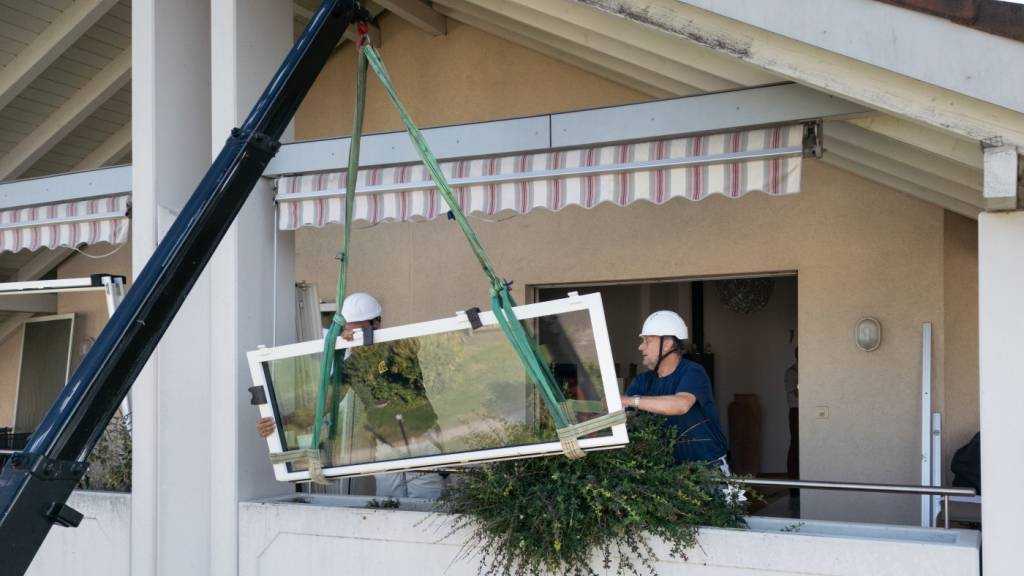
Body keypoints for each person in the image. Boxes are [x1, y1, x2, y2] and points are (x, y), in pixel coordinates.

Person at [257, 292, 445, 499]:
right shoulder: (350, 367)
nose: (351, 335)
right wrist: (281, 421)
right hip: (386, 440)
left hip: (421, 436)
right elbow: (322, 406)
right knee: (389, 502)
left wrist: (365, 346)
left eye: (357, 329)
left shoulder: (397, 347)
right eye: (348, 330)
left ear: (376, 324)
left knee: (427, 504)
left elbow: (411, 346)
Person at [623, 311, 731, 475]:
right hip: (668, 474)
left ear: (667, 344)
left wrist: (632, 401)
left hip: (708, 470)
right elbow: (625, 419)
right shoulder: (642, 381)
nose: (640, 346)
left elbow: (681, 404)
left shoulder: (693, 371)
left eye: (647, 341)